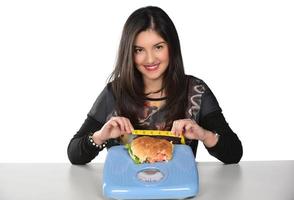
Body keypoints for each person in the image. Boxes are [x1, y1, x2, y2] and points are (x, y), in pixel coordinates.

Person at [67, 6, 243, 165]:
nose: (150, 59)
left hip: (177, 190)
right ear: (129, 53)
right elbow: (74, 154)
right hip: (125, 190)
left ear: (171, 47)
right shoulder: (115, 92)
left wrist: (204, 135)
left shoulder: (195, 90)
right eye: (139, 50)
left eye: (158, 47)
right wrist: (100, 136)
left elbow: (234, 154)